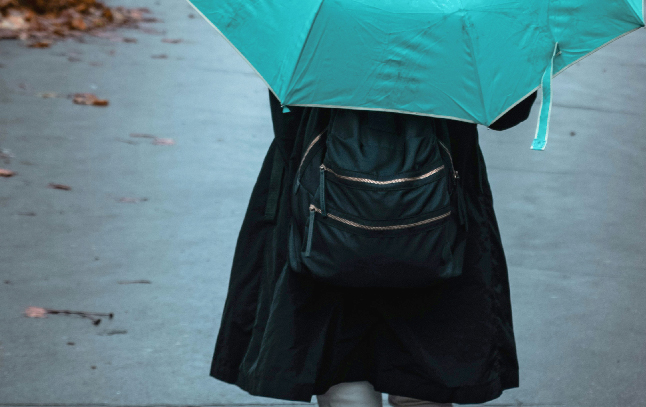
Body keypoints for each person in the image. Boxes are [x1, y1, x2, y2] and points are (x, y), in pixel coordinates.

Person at [210, 90, 536, 407]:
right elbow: (506, 110)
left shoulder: (313, 35)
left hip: (321, 200)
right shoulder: (458, 34)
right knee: (429, 365)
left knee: (338, 359)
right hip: (437, 206)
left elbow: (286, 101)